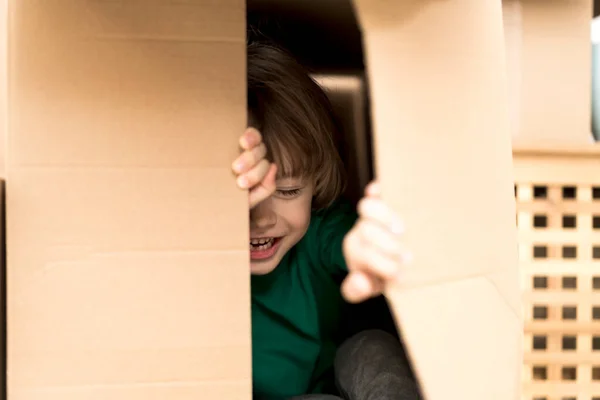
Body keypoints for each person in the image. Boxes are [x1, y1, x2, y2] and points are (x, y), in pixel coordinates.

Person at [232, 40, 422, 400]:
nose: (261, 219)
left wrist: (367, 247)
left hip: (328, 391)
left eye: (287, 191)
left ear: (316, 184)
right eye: (244, 195)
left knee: (371, 347)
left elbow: (350, 240)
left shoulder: (319, 232)